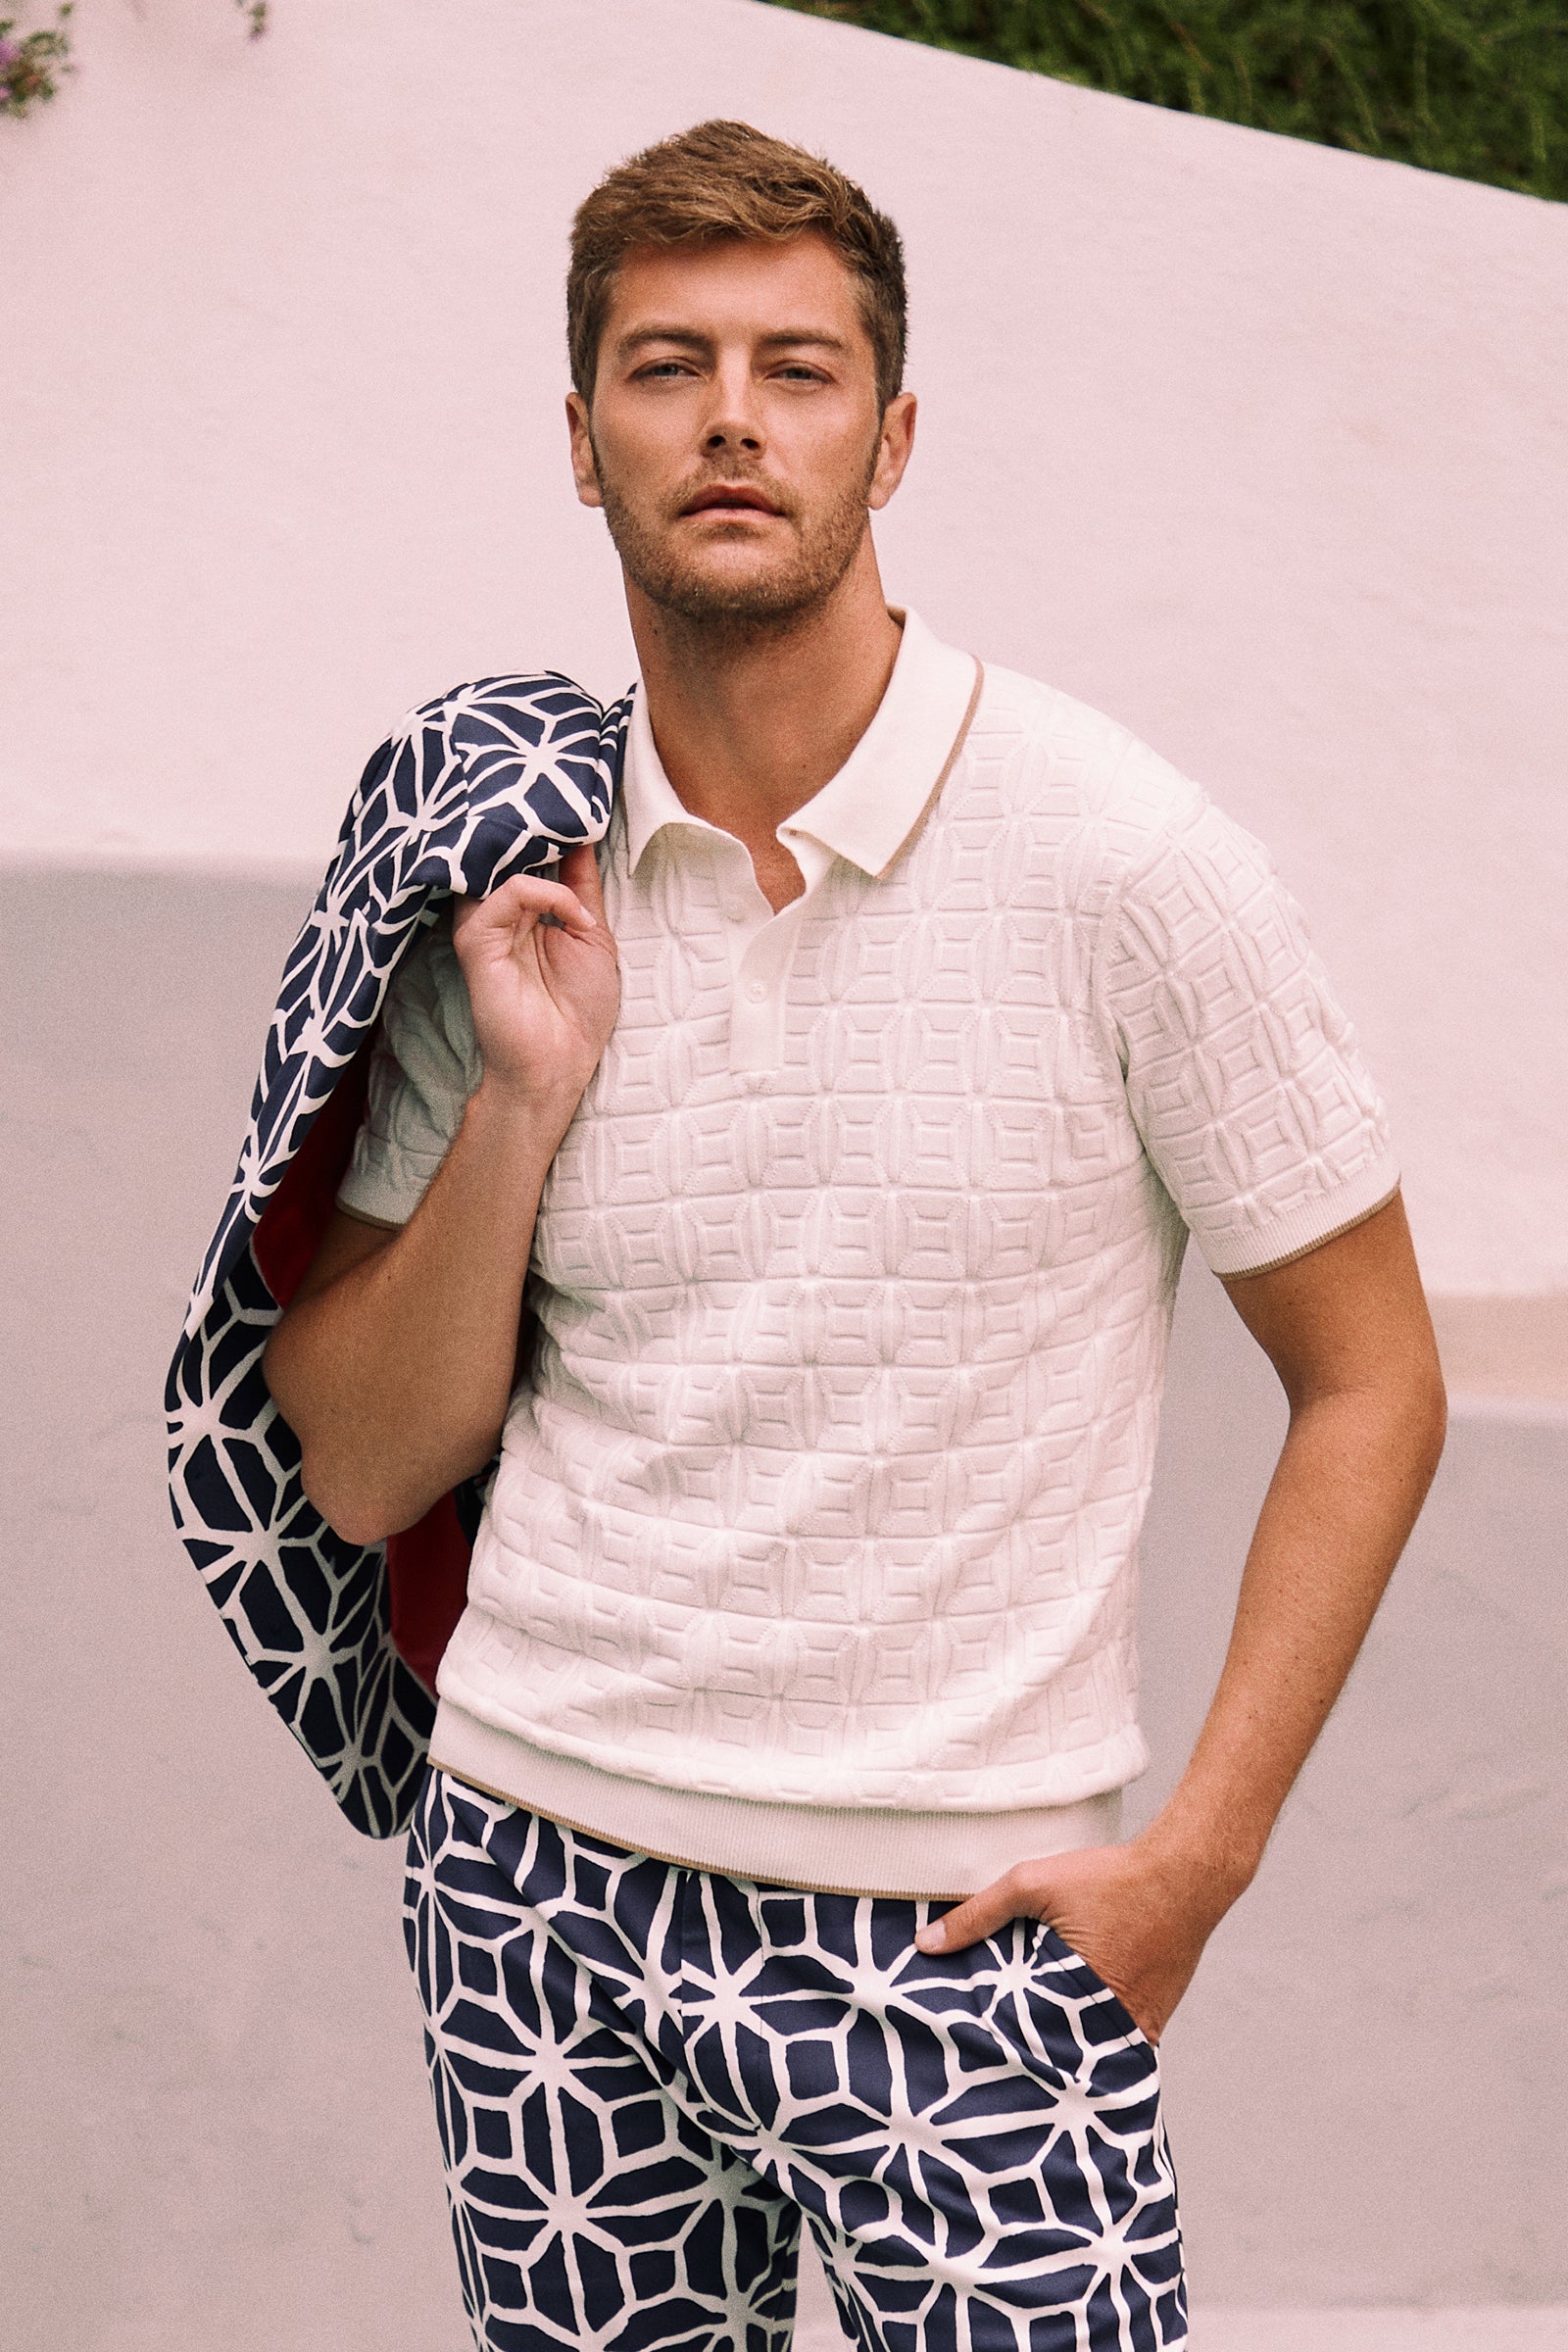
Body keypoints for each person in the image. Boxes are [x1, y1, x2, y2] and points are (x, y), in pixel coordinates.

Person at [262, 119, 1446, 2352]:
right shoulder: (516, 868)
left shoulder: (1125, 863)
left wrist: (1194, 1859)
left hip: (963, 1937)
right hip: (535, 1887)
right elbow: (356, 1462)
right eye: (664, 365)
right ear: (581, 441)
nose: (729, 418)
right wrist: (527, 1091)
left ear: (889, 438)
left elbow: (1373, 1378)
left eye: (795, 370)